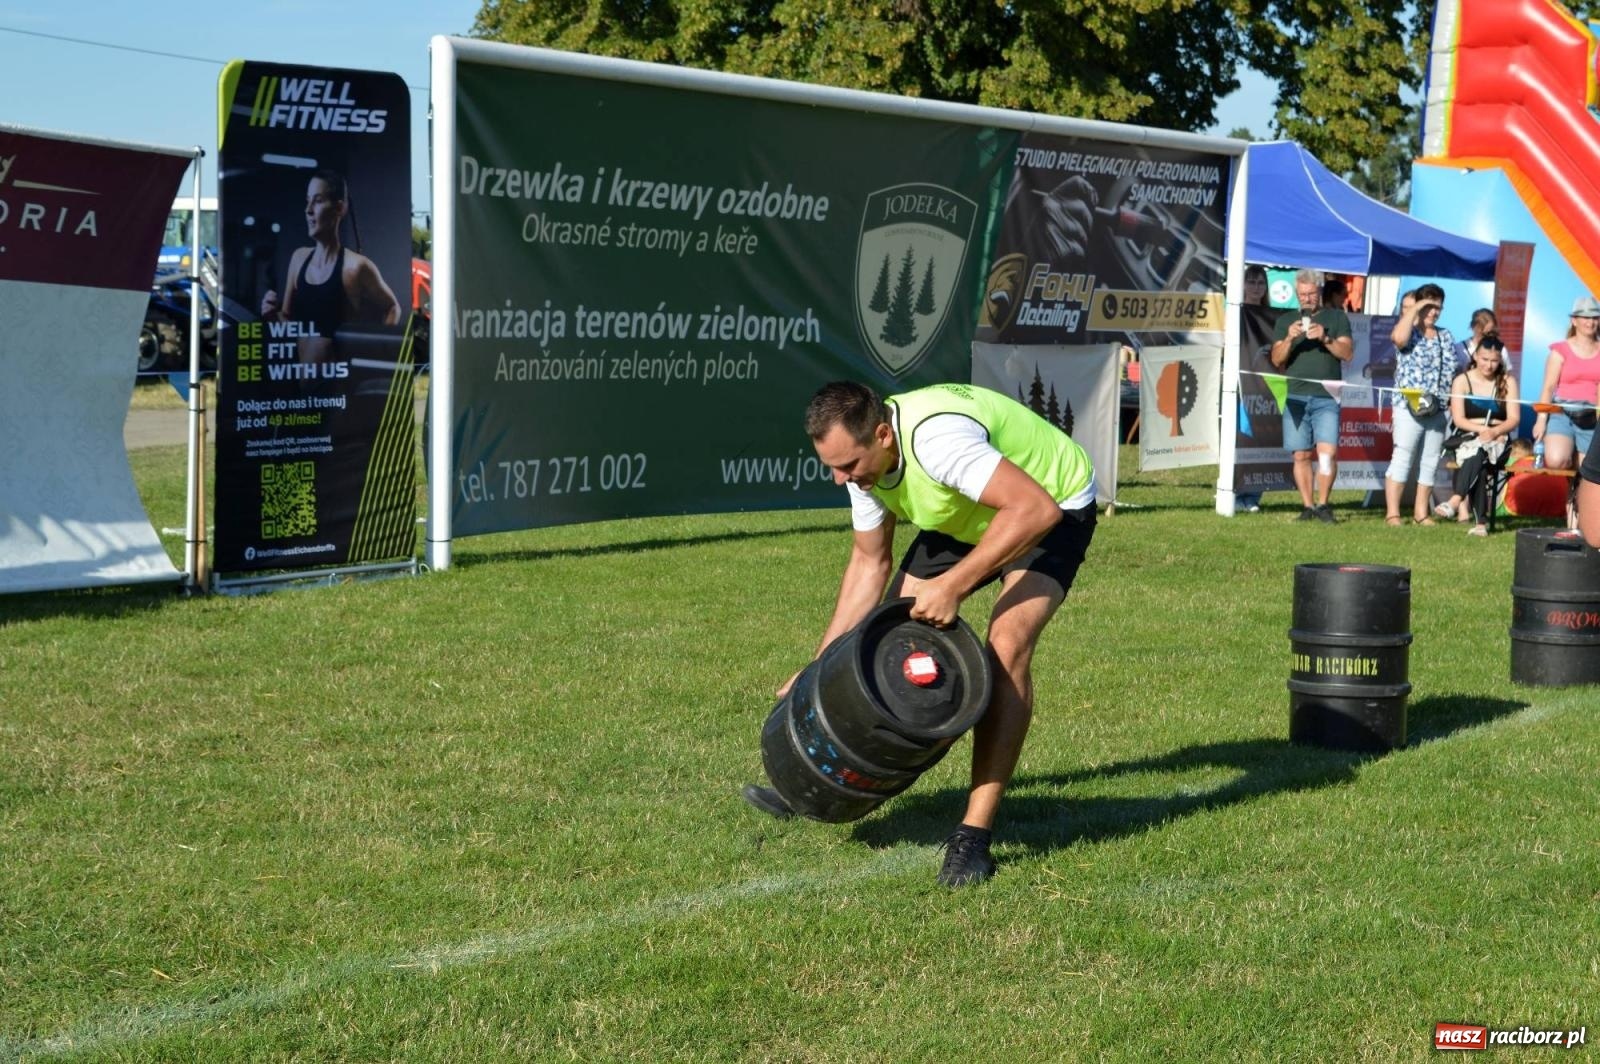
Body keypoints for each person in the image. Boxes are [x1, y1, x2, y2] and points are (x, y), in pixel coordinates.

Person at [743, 381, 1097, 888]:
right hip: (967, 511)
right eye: (832, 466)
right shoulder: (866, 471)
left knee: (1004, 650)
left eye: (848, 466)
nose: (840, 478)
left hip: (1052, 503)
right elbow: (869, 564)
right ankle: (816, 785)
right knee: (882, 649)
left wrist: (952, 586)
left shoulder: (938, 444)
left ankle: (972, 838)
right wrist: (820, 665)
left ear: (883, 435)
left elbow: (1035, 511)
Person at [260, 168, 401, 341]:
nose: (308, 210)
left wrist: (379, 348)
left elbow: (392, 307)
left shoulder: (356, 267)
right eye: (308, 201)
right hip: (304, 369)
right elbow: (287, 320)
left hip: (343, 368)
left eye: (318, 201)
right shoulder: (299, 258)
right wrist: (272, 315)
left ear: (339, 208)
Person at [1268, 268, 1353, 522]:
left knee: (1327, 453)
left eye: (1311, 294)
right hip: (1295, 396)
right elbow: (1276, 359)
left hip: (1327, 395)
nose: (1306, 299)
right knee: (1301, 454)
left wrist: (1325, 338)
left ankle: (1324, 504)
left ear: (1319, 292)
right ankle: (1307, 506)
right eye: (1302, 294)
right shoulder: (1285, 321)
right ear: (1296, 293)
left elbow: (1347, 353)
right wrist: (1289, 339)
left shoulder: (1336, 317)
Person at [1384, 284, 1456, 526]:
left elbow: (1452, 371)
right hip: (1409, 406)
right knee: (1403, 456)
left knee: (1431, 460)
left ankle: (1421, 513)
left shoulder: (1445, 335)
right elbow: (1398, 338)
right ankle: (1392, 513)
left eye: (1438, 306)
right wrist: (1414, 309)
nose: (1434, 311)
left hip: (1437, 408)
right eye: (1430, 305)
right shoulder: (1409, 331)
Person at [1440, 332, 1519, 535]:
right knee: (1479, 458)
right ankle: (1480, 525)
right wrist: (1482, 431)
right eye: (1485, 359)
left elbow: (1513, 418)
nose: (1489, 365)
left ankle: (1456, 499)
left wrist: (1495, 431)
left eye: (1494, 361)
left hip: (1499, 438)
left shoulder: (1508, 381)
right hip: (1468, 436)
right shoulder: (1461, 381)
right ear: (1475, 356)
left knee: (1479, 453)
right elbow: (1459, 420)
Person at [1531, 295, 1600, 486]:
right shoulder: (1560, 350)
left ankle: (1576, 511)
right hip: (1562, 414)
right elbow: (1548, 387)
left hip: (1591, 417)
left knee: (1588, 473)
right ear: (1574, 320)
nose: (1591, 322)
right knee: (1557, 459)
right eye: (1586, 317)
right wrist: (1541, 420)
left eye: (1595, 317)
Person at [1234, 264, 1272, 513]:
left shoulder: (1271, 315)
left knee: (1262, 437)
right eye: (1251, 282)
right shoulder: (1236, 312)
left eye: (1260, 283)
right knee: (1242, 438)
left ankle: (1253, 496)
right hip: (1241, 384)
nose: (1256, 287)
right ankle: (1237, 491)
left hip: (1265, 385)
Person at [1454, 307, 1498, 373]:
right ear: (1473, 327)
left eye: (1490, 333)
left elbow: (1506, 376)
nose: (1486, 337)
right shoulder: (1459, 349)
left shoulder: (1499, 349)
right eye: (1482, 333)